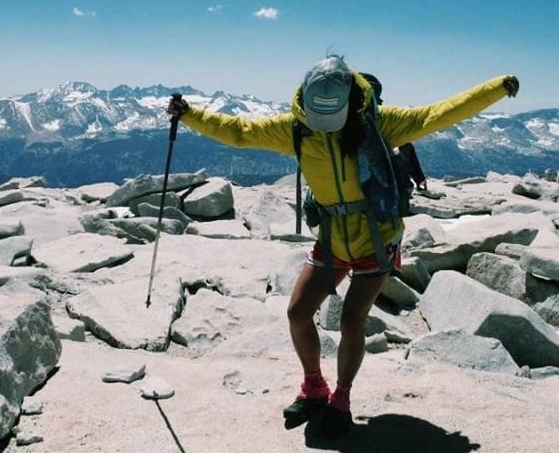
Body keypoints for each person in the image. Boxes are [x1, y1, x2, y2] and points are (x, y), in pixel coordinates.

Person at [168, 56, 519, 439]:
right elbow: (239, 130)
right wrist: (189, 114)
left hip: (377, 237)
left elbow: (439, 114)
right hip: (333, 238)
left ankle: (342, 399)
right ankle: (314, 388)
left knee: (351, 319)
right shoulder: (297, 128)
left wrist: (496, 88)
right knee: (298, 312)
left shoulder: (380, 124)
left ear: (353, 102)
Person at [360, 73, 428, 191]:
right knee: (400, 144)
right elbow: (405, 147)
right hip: (382, 186)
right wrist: (419, 178)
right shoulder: (380, 117)